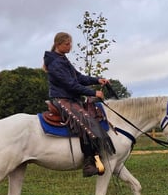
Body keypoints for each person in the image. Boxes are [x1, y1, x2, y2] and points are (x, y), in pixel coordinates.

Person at [43, 32, 115, 177]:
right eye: (67, 44)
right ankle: (89, 163)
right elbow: (71, 85)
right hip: (62, 99)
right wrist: (93, 93)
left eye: (70, 43)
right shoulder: (56, 63)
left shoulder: (62, 59)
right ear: (58, 45)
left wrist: (97, 80)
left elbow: (79, 78)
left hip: (70, 98)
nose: (70, 46)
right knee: (87, 123)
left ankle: (94, 157)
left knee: (91, 118)